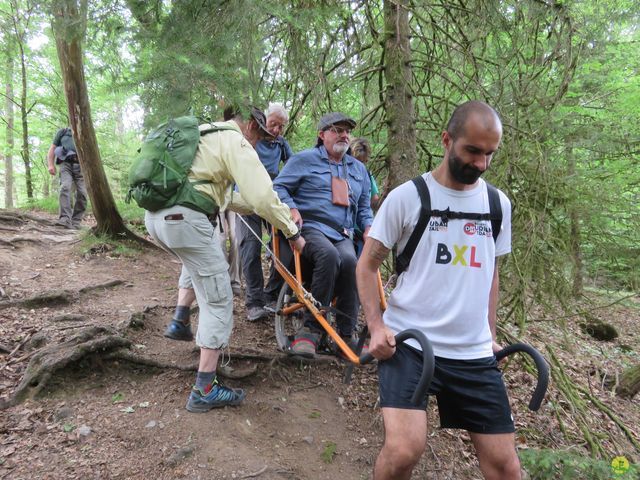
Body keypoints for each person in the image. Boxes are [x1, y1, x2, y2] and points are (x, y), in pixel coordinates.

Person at [356, 101, 519, 480]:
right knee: (402, 452)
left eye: (489, 154)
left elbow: (490, 272)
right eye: (473, 151)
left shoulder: (497, 205)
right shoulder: (407, 198)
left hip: (473, 352)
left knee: (505, 466)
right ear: (446, 140)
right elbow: (366, 265)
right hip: (411, 345)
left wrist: (491, 336)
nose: (481, 163)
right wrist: (377, 327)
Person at [145, 106, 305, 412]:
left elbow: (230, 198)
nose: (258, 143)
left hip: (157, 218)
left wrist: (262, 211)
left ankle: (180, 320)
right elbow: (263, 195)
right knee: (218, 300)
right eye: (258, 135)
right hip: (186, 220)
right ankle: (204, 388)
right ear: (249, 127)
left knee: (201, 263)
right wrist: (292, 230)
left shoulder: (199, 137)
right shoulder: (235, 141)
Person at [273, 112, 374, 358]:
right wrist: (292, 207)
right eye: (336, 130)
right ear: (321, 135)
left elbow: (363, 208)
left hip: (343, 234)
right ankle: (310, 331)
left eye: (347, 131)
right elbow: (278, 187)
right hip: (311, 228)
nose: (344, 135)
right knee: (329, 256)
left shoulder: (358, 169)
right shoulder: (303, 160)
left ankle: (346, 335)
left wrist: (370, 227)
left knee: (352, 262)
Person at [237, 102, 294, 321]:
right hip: (246, 198)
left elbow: (293, 166)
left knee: (282, 247)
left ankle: (271, 295)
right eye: (273, 124)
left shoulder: (282, 144)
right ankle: (254, 302)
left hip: (272, 197)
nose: (276, 130)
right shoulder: (252, 139)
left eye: (281, 126)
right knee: (250, 248)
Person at [47, 127, 88, 229]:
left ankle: (76, 222)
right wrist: (50, 165)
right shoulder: (63, 132)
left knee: (82, 193)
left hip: (81, 166)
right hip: (65, 164)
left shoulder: (85, 130)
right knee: (65, 187)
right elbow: (52, 148)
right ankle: (64, 219)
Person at [350, 137, 380, 209]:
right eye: (358, 162)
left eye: (363, 162)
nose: (360, 166)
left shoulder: (367, 175)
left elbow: (375, 199)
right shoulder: (341, 172)